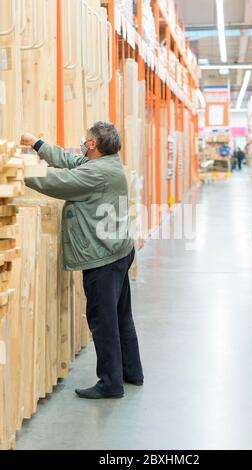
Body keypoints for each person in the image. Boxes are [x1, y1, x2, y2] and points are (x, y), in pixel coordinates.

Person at [20, 121, 144, 399]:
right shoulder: (107, 163)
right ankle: (132, 372)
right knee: (121, 316)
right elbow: (69, 161)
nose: (82, 141)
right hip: (118, 250)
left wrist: (19, 171)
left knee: (103, 321)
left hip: (103, 258)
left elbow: (59, 183)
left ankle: (111, 383)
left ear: (92, 145)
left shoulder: (97, 173)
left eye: (86, 138)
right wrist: (36, 145)